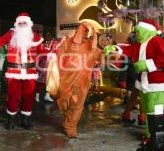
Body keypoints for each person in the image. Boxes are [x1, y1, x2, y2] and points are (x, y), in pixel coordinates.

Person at [0, 12, 45, 130]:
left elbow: (42, 52)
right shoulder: (11, 34)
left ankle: (25, 119)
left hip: (30, 72)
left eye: (24, 22)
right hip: (14, 72)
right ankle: (11, 118)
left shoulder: (35, 36)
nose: (22, 24)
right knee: (13, 96)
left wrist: (53, 55)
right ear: (16, 23)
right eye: (20, 22)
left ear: (29, 23)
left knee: (29, 96)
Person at [104, 18, 164, 146]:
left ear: (146, 30)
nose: (135, 34)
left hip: (157, 85)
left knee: (156, 112)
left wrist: (147, 65)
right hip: (144, 85)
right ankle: (151, 136)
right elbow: (129, 49)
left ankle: (158, 139)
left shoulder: (156, 41)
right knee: (149, 112)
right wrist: (114, 48)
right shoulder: (140, 44)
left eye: (138, 31)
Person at [49, 22, 103, 138]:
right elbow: (59, 58)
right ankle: (67, 119)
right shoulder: (68, 43)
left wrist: (108, 53)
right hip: (66, 80)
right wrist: (56, 75)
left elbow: (102, 58)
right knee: (63, 101)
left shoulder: (93, 47)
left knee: (77, 105)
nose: (87, 34)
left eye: (89, 32)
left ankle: (71, 126)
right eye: (85, 30)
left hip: (82, 83)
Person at [35, 32, 58, 102]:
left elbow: (56, 52)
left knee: (50, 80)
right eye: (46, 35)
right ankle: (37, 95)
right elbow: (41, 52)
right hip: (43, 64)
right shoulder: (42, 44)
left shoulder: (54, 43)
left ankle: (47, 95)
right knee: (40, 81)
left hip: (51, 64)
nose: (48, 37)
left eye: (49, 35)